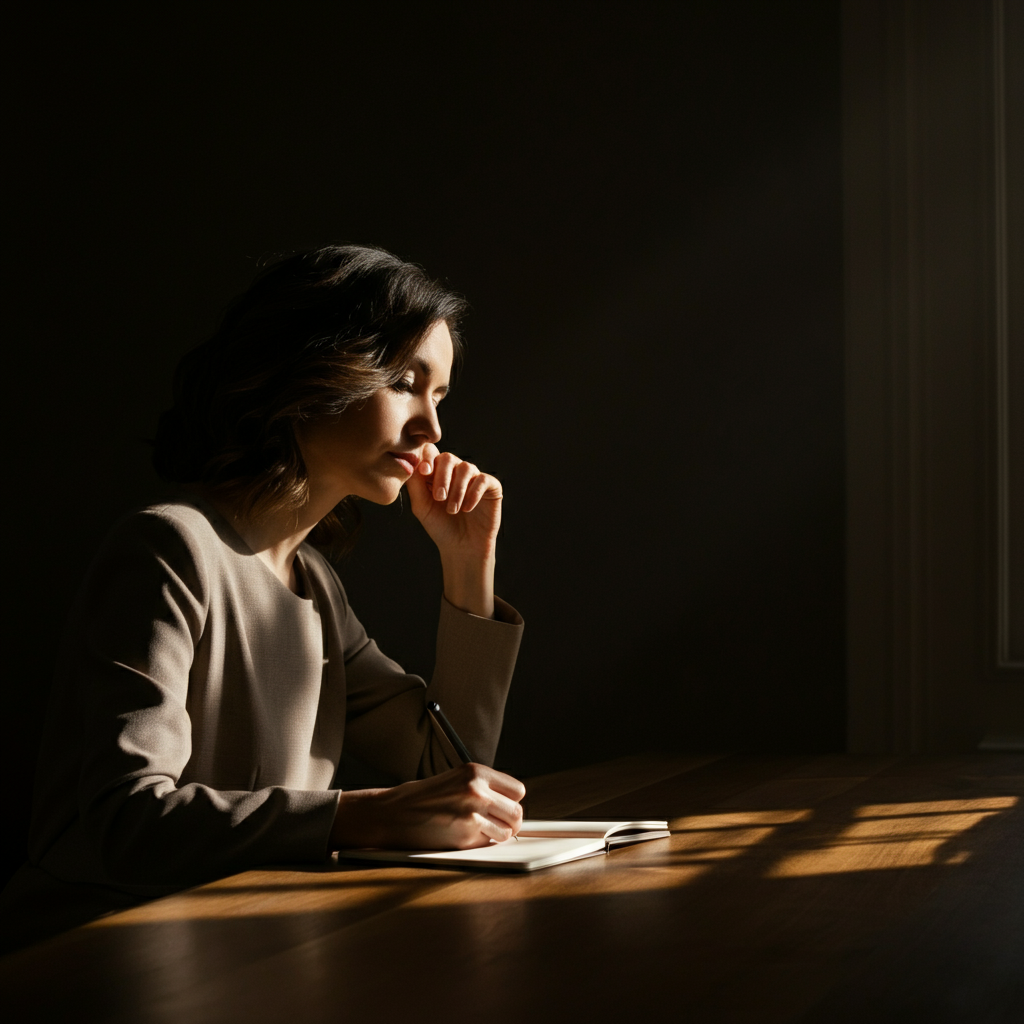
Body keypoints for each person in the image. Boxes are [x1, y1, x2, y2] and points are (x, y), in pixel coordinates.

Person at [0, 244, 525, 950]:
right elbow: (114, 824)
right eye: (405, 383)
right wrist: (354, 816)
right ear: (310, 376)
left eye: (440, 398)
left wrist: (468, 567)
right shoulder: (168, 549)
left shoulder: (313, 586)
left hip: (242, 948)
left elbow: (443, 769)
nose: (432, 430)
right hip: (91, 960)